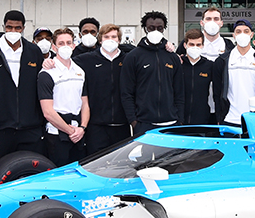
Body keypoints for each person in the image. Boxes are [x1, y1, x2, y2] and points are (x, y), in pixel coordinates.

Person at [0, 10, 45, 176]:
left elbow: (40, 91)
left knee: (30, 175)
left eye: (17, 28)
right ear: (3, 27)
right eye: (9, 27)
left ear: (23, 28)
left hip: (30, 130)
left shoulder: (33, 52)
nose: (13, 32)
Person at [121, 11, 184, 136]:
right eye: (151, 28)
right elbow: (126, 91)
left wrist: (179, 119)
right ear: (145, 29)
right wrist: (133, 121)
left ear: (164, 29)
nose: (155, 31)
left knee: (171, 156)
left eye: (159, 28)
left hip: (171, 122)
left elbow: (179, 91)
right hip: (144, 123)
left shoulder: (172, 57)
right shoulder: (133, 57)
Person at [78, 24, 132, 154]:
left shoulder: (129, 59)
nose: (110, 40)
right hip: (96, 126)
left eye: (114, 37)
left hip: (122, 125)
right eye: (106, 37)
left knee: (121, 164)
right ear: (100, 40)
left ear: (119, 40)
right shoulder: (86, 60)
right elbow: (65, 62)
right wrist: (49, 62)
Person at [39, 28, 89, 165]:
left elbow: (85, 104)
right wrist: (69, 131)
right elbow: (48, 112)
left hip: (78, 133)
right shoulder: (47, 73)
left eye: (68, 42)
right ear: (54, 47)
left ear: (74, 45)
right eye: (61, 43)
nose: (65, 46)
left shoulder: (80, 72)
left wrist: (82, 128)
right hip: (57, 135)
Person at [212, 20, 255, 126]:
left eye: (246, 31)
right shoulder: (222, 61)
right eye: (238, 31)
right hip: (229, 119)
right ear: (234, 35)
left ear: (251, 35)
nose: (242, 34)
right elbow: (217, 92)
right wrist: (220, 116)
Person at [179, 29, 214, 126]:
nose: (195, 47)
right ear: (185, 45)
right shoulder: (178, 64)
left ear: (203, 46)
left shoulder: (209, 66)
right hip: (179, 119)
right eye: (191, 44)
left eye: (198, 45)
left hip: (202, 118)